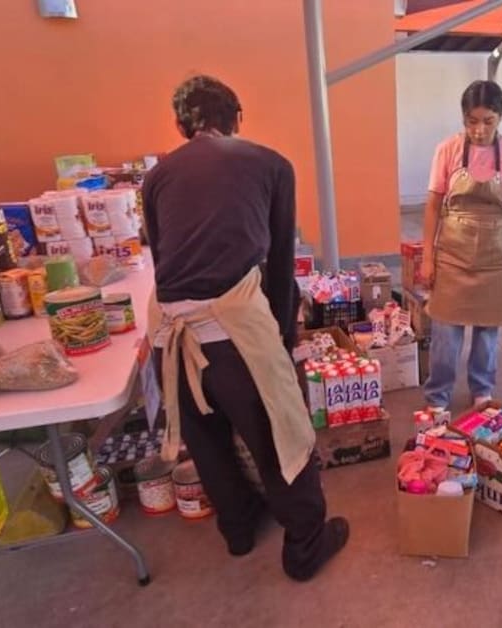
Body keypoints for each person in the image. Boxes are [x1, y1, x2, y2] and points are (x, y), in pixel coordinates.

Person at [142, 75, 348, 581]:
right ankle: (305, 546)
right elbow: (279, 264)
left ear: (181, 126)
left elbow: (163, 260)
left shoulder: (157, 176)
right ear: (237, 117)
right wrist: (281, 338)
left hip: (169, 336)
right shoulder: (271, 164)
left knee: (208, 441)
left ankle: (237, 530)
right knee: (280, 434)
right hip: (234, 331)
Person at [420, 80, 502, 411]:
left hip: (493, 255)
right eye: (472, 121)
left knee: (488, 331)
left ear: (501, 117)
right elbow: (433, 206)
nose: (479, 130)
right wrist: (427, 257)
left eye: (488, 121)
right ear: (463, 118)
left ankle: (482, 391)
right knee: (445, 332)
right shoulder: (447, 150)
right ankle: (438, 396)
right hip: (452, 252)